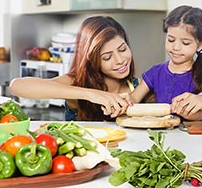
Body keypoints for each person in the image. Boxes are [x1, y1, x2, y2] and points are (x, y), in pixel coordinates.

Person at [9, 16, 144, 121]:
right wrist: (91, 94)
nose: (120, 60)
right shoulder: (76, 82)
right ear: (92, 60)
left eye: (122, 49)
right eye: (107, 57)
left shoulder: (140, 87)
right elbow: (17, 86)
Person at [129, 5, 202, 121]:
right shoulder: (155, 72)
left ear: (200, 45)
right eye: (171, 40)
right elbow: (134, 98)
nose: (176, 47)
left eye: (185, 43)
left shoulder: (199, 75)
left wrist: (199, 103)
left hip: (186, 135)